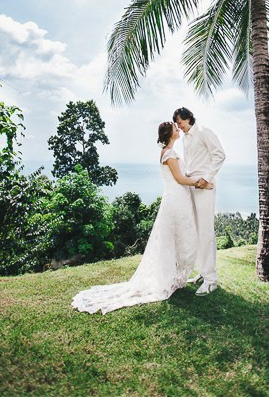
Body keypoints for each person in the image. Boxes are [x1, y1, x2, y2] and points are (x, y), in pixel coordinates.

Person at [72, 122, 202, 314]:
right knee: (176, 239)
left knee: (176, 239)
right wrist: (200, 182)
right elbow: (180, 179)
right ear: (170, 134)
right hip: (176, 201)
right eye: (175, 128)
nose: (178, 129)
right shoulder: (170, 154)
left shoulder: (168, 152)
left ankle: (173, 276)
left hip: (177, 199)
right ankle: (169, 278)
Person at [173, 107, 225, 296]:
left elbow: (220, 154)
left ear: (188, 118)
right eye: (177, 125)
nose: (179, 127)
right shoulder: (186, 138)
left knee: (206, 231)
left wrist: (207, 178)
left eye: (180, 123)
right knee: (197, 231)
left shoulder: (204, 131)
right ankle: (204, 273)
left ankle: (211, 280)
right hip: (192, 186)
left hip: (204, 186)